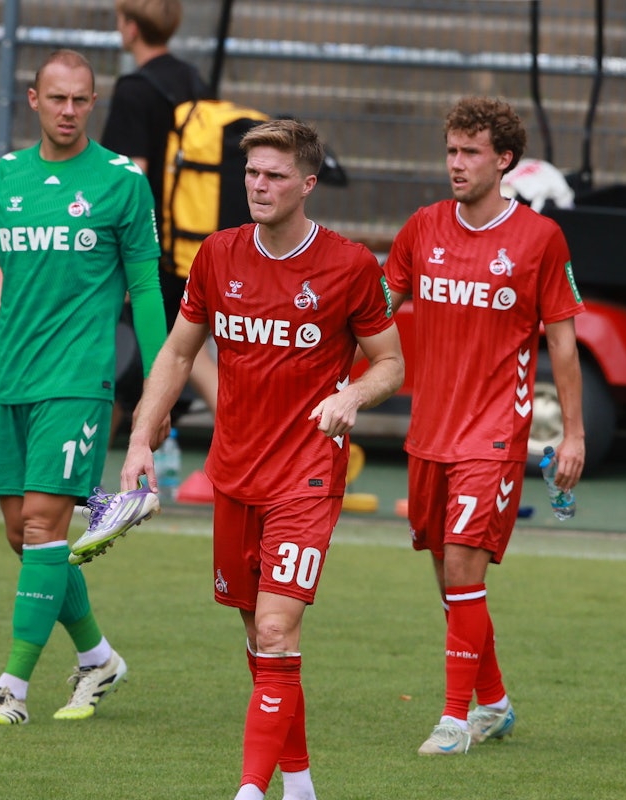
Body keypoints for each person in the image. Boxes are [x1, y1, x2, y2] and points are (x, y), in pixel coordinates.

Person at [121, 119, 405, 800]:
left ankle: (250, 791)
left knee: (277, 626)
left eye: (274, 175)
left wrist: (352, 396)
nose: (258, 185)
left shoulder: (348, 266)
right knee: (260, 638)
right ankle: (300, 785)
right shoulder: (217, 256)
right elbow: (179, 352)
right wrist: (140, 435)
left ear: (307, 183)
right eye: (251, 173)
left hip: (307, 474)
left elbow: (389, 363)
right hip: (235, 472)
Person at [0, 49, 169, 725]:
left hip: (79, 379)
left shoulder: (121, 182)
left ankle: (11, 689)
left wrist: (156, 388)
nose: (69, 111)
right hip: (11, 379)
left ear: (93, 101)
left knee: (45, 524)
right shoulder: (2, 179)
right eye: (57, 99)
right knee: (26, 538)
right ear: (32, 99)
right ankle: (98, 659)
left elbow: (144, 286)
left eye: (81, 99)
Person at [382, 96, 586, 755]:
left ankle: (451, 718)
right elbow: (373, 312)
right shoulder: (422, 228)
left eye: (469, 153)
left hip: (495, 433)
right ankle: (493, 702)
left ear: (503, 160)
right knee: (448, 577)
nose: (456, 164)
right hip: (429, 431)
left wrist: (573, 436)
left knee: (465, 568)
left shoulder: (538, 239)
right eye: (450, 151)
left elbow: (561, 343)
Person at [101, 0, 220, 437]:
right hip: (192, 237)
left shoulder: (136, 89)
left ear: (131, 29)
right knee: (179, 351)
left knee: (180, 355)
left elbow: (130, 178)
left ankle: (247, 440)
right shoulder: (191, 77)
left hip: (150, 247)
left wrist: (119, 255)